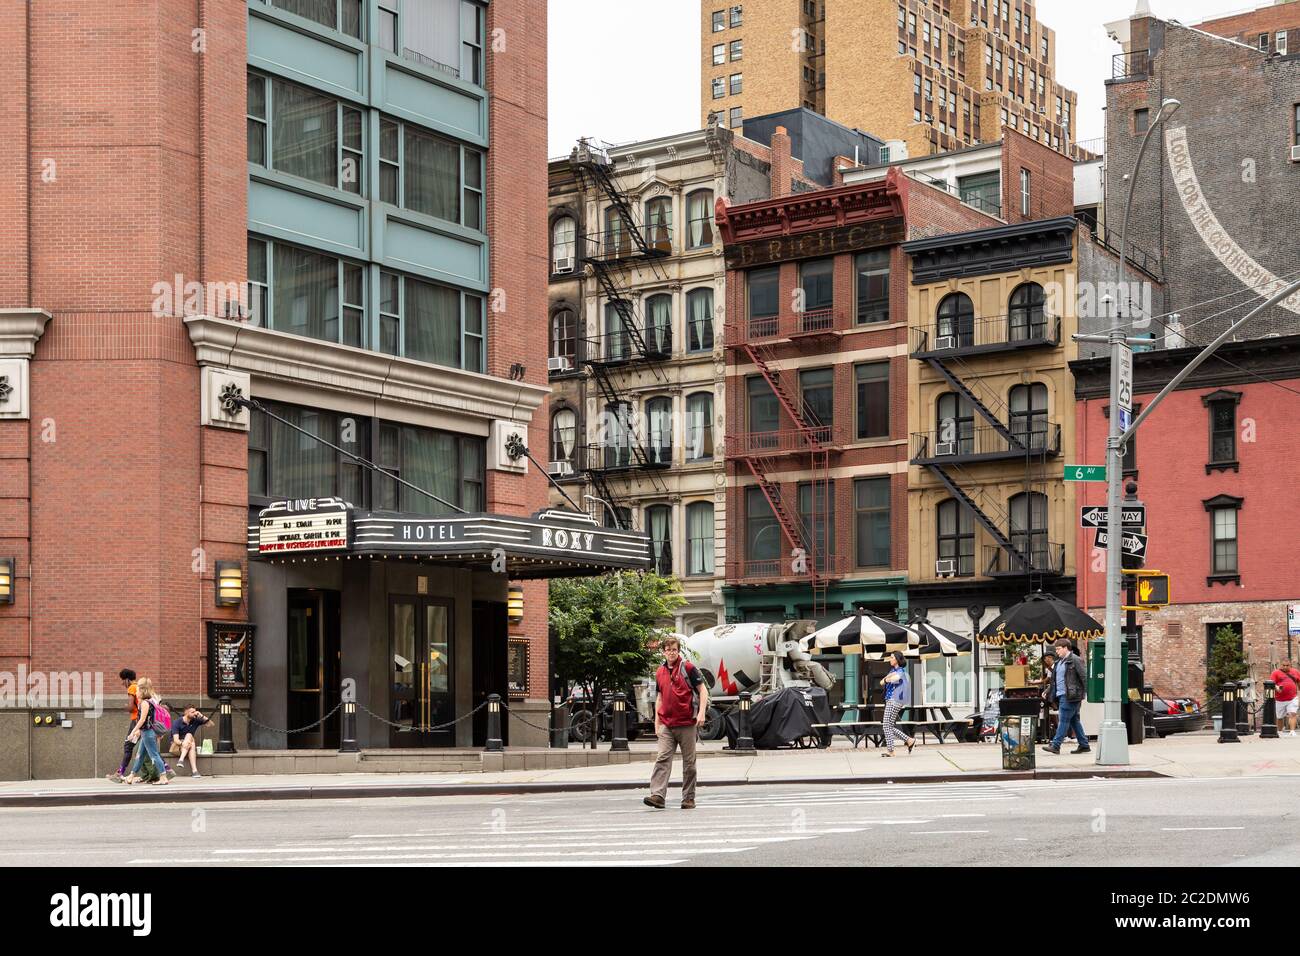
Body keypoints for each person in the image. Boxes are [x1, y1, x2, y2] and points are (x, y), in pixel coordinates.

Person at [644, 635, 708, 810]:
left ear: (678, 651)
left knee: (689, 763)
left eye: (674, 649)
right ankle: (657, 795)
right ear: (663, 652)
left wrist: (701, 713)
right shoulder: (660, 672)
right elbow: (659, 698)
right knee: (662, 758)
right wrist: (657, 723)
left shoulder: (688, 668)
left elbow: (703, 691)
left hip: (687, 723)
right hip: (666, 723)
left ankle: (688, 798)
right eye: (668, 650)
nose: (671, 653)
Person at [1043, 638, 1089, 755]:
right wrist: (1048, 690)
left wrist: (1085, 693)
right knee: (1074, 721)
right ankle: (1084, 745)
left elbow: (1084, 677)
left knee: (1063, 720)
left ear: (1065, 648)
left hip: (1071, 696)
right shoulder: (1059, 662)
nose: (1056, 652)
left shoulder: (1075, 660)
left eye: (1058, 649)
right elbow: (1055, 680)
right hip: (1063, 695)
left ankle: (1056, 745)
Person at [122, 678, 170, 785]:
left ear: (142, 691)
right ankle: (131, 776)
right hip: (145, 732)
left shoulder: (144, 703)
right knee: (140, 755)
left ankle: (163, 777)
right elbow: (146, 720)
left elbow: (142, 720)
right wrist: (139, 731)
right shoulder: (148, 702)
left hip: (148, 733)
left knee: (154, 755)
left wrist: (133, 731)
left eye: (137, 690)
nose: (136, 693)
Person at [879, 651, 915, 756]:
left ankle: (891, 751)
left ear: (897, 659)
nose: (890, 659)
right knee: (888, 726)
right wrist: (887, 679)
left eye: (892, 657)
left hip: (895, 699)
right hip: (891, 699)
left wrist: (887, 679)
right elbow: (881, 682)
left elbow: (895, 679)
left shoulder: (900, 671)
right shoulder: (893, 670)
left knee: (886, 725)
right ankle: (909, 740)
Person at [173, 706, 211, 777]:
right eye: (192, 712)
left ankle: (181, 760)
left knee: (190, 739)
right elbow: (176, 740)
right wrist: (182, 743)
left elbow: (210, 724)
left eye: (195, 711)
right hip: (178, 745)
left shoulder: (195, 720)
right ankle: (194, 771)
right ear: (186, 712)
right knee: (190, 737)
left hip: (188, 745)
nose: (195, 713)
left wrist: (201, 715)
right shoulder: (177, 722)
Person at [1269, 661, 1300, 737]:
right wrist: (1277, 688)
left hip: (1292, 698)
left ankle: (1292, 731)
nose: (1285, 667)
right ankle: (1280, 731)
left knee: (1292, 713)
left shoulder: (1295, 672)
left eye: (1287, 665)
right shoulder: (1275, 673)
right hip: (1279, 699)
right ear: (1280, 665)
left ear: (1290, 665)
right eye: (1283, 665)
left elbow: (1299, 682)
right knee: (1279, 717)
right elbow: (1272, 684)